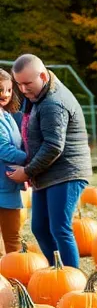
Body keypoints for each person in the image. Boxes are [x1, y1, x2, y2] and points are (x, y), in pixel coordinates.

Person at [8, 54, 92, 268]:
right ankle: (57, 270)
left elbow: (54, 146)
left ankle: (72, 278)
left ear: (43, 76)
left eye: (27, 83)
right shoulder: (38, 96)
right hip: (46, 173)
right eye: (19, 84)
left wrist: (26, 171)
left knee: (59, 228)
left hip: (66, 172)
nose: (23, 89)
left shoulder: (54, 103)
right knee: (40, 228)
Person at [0, 70, 25, 253]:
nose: (5, 94)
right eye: (0, 89)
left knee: (13, 236)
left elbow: (18, 144)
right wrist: (32, 160)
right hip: (2, 185)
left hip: (9, 186)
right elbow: (4, 149)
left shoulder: (7, 116)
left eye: (9, 90)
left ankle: (12, 278)